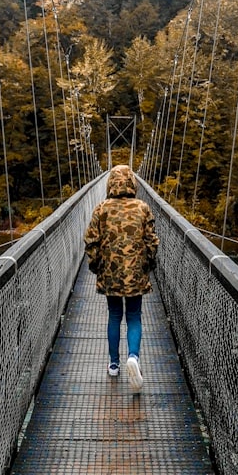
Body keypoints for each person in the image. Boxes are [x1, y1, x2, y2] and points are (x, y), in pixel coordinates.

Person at [84, 164, 159, 392]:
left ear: (111, 183)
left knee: (115, 315)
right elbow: (152, 242)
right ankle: (133, 357)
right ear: (132, 182)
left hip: (111, 274)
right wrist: (148, 265)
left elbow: (91, 242)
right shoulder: (143, 208)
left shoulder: (101, 208)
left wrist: (96, 266)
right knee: (134, 315)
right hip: (136, 273)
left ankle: (114, 364)